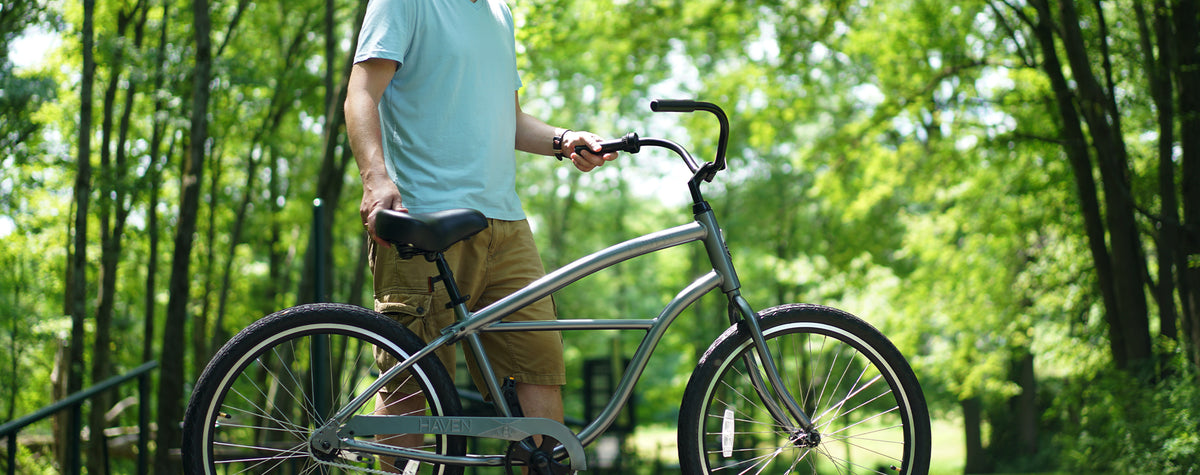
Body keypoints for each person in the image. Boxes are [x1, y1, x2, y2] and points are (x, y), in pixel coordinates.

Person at [344, 0, 617, 470]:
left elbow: (507, 119)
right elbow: (361, 95)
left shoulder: (499, 13)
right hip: (426, 221)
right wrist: (375, 178)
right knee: (413, 388)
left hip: (507, 228)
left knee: (538, 379)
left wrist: (563, 138)